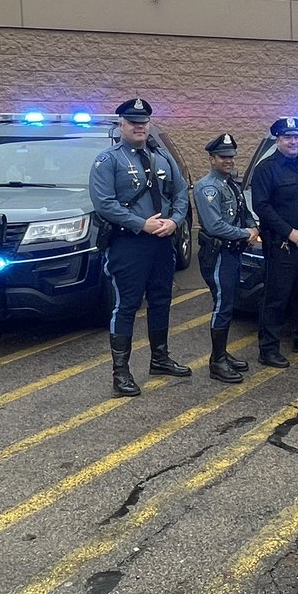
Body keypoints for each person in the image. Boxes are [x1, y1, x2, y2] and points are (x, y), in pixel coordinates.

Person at [89, 97, 192, 397]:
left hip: (162, 242)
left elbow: (181, 190)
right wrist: (140, 223)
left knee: (161, 299)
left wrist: (174, 221)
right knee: (127, 305)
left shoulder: (161, 156)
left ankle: (159, 358)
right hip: (129, 243)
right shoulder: (107, 160)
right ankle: (120, 373)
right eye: (133, 123)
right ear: (121, 125)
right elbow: (104, 204)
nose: (139, 127)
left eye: (144, 122)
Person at [252, 117, 298, 368]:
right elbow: (261, 207)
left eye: (296, 137)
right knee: (276, 298)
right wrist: (289, 232)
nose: (293, 141)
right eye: (287, 137)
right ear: (278, 139)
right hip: (283, 245)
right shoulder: (267, 168)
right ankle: (268, 349)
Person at [193, 133, 259, 383]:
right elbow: (215, 225)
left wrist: (253, 227)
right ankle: (216, 362)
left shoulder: (230, 183)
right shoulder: (208, 187)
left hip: (233, 252)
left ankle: (222, 353)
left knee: (229, 303)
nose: (229, 161)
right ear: (212, 159)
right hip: (218, 253)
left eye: (231, 156)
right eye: (223, 157)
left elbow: (244, 211)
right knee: (222, 305)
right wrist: (246, 232)